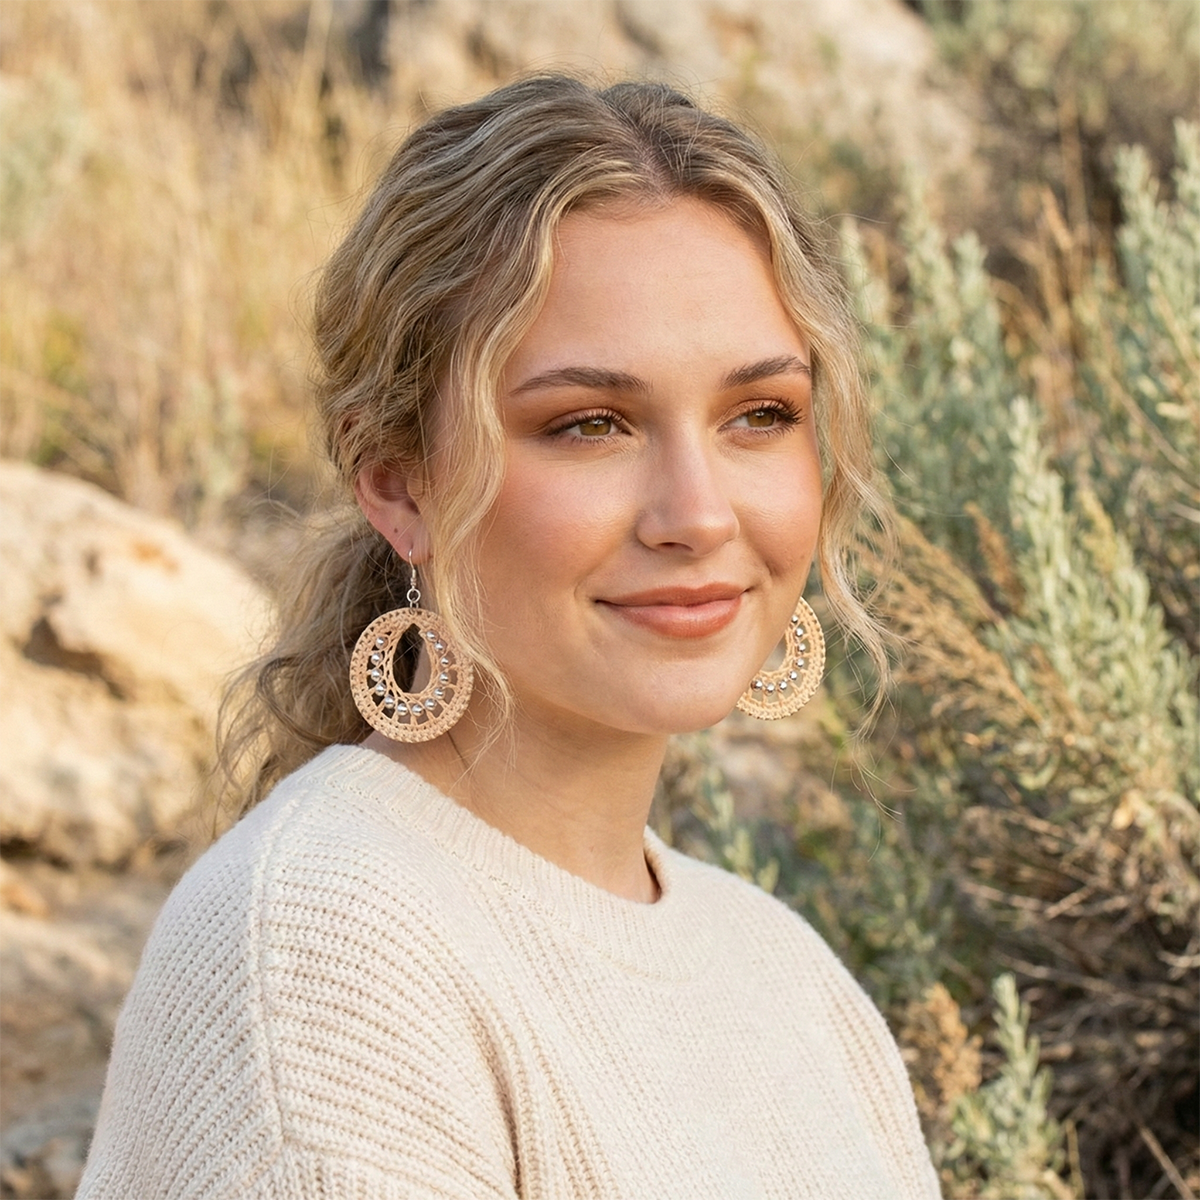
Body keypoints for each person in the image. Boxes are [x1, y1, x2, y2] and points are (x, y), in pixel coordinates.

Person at [76, 75, 939, 1199]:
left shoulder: (787, 977)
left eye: (759, 414)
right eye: (590, 425)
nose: (700, 514)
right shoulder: (323, 962)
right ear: (399, 483)